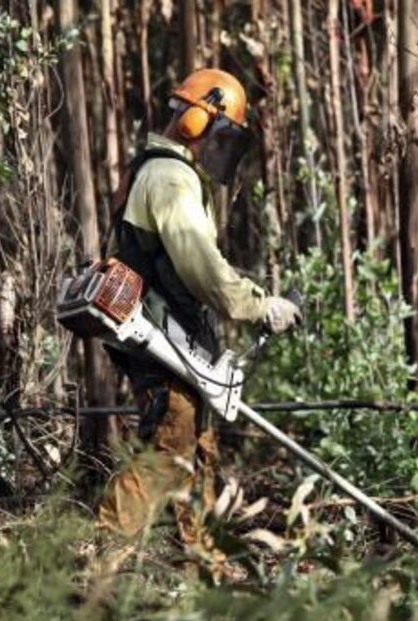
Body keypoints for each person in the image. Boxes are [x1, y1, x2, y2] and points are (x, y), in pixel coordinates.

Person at [96, 69, 300, 551]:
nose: (220, 147)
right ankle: (96, 560)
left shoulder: (160, 170)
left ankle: (202, 567)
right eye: (221, 132)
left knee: (197, 454)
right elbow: (202, 268)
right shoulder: (169, 177)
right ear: (195, 119)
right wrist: (259, 306)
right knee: (167, 453)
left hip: (174, 336)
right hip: (160, 336)